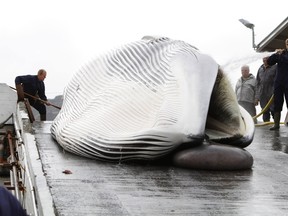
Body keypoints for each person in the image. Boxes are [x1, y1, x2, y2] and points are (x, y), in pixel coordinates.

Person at [267, 38, 288, 130]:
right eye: (287, 43)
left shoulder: (283, 55)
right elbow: (270, 62)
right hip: (279, 82)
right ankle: (276, 124)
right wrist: (275, 54)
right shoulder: (281, 53)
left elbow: (286, 60)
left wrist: (279, 56)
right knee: (277, 103)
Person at [255, 56, 277, 122]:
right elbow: (257, 83)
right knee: (265, 112)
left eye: (266, 58)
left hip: (272, 95)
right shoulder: (260, 69)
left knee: (274, 111)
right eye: (263, 58)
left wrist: (275, 92)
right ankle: (266, 128)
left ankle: (276, 126)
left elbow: (278, 81)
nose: (265, 60)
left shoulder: (275, 67)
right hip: (263, 96)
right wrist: (257, 97)